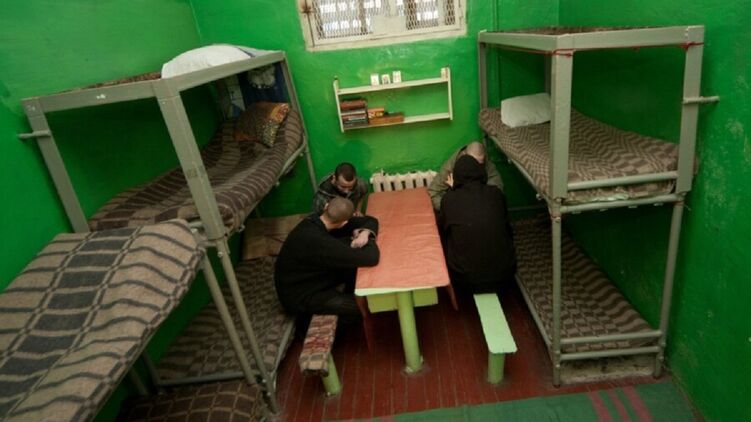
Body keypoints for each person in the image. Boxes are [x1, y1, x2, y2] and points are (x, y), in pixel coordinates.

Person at [275, 197, 379, 321]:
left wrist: (364, 233)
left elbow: (370, 220)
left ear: (326, 206)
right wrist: (367, 238)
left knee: (351, 266)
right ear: (344, 223)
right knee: (362, 305)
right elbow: (371, 257)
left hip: (313, 277)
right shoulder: (318, 242)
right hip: (300, 295)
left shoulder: (313, 220)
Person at [438, 155, 516, 294]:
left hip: (464, 280)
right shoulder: (496, 194)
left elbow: (444, 229)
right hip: (505, 276)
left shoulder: (449, 199)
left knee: (446, 232)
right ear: (481, 173)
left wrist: (453, 189)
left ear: (456, 177)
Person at [428, 141, 503, 211]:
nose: (476, 167)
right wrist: (451, 208)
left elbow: (497, 196)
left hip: (479, 208)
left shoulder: (487, 165)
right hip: (458, 208)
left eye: (480, 163)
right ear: (464, 155)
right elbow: (433, 192)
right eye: (472, 162)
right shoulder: (451, 167)